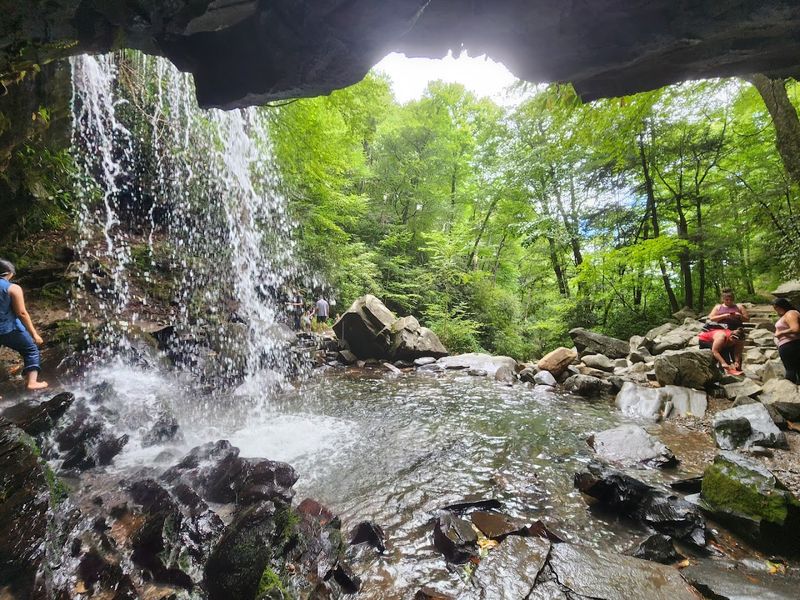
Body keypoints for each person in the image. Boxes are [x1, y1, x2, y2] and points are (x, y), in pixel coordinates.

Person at [0, 259, 48, 390]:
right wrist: (34, 333)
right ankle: (32, 382)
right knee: (30, 350)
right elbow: (21, 313)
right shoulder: (12, 288)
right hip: (8, 329)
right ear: (9, 273)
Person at [773, 297, 800, 383]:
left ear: (783, 305)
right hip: (788, 345)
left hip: (792, 345)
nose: (776, 310)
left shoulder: (790, 313)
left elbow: (795, 328)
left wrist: (780, 333)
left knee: (791, 370)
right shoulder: (785, 315)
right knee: (794, 370)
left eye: (777, 308)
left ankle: (788, 391)